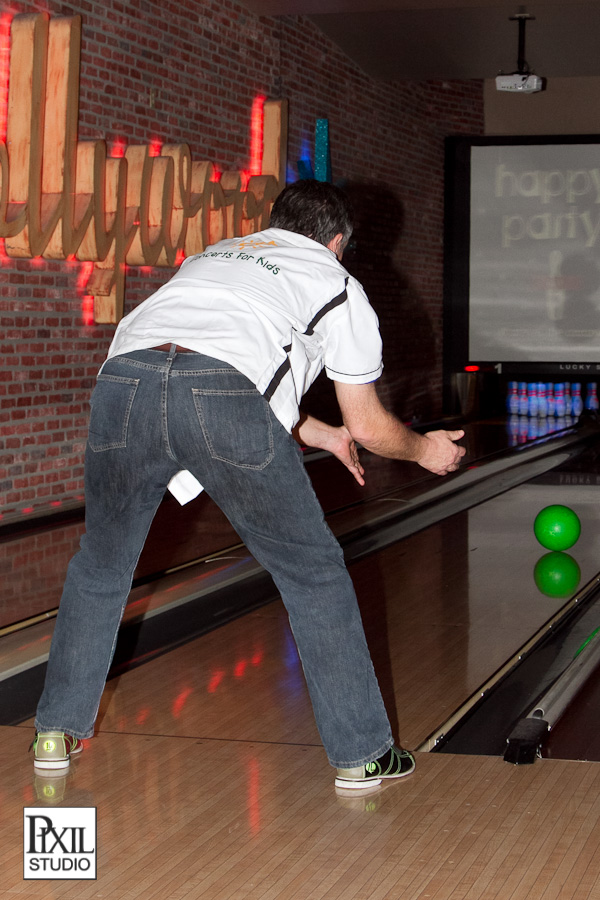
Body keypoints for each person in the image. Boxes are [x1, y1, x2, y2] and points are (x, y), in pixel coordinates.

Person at [32, 179, 465, 790]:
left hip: (123, 383)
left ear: (275, 224)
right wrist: (426, 451)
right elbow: (367, 425)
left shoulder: (215, 254)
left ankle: (55, 730)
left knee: (100, 567)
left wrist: (320, 433)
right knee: (312, 571)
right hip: (222, 397)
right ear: (337, 242)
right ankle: (362, 753)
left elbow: (194, 364)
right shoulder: (337, 282)